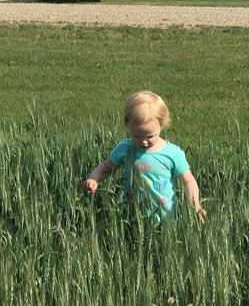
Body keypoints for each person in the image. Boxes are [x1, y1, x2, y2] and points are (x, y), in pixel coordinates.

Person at [83, 91, 206, 222]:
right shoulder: (125, 149)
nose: (143, 141)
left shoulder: (172, 153)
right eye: (137, 135)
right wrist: (93, 179)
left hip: (167, 221)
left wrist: (195, 205)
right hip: (132, 218)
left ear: (161, 125)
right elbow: (106, 167)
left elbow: (188, 180)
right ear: (128, 125)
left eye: (149, 136)